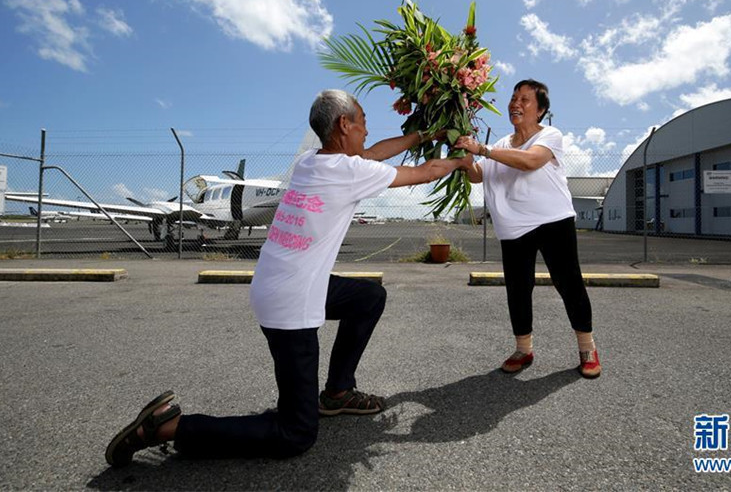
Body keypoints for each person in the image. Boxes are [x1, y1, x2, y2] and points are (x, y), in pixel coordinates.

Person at [105, 89, 472, 467]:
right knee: (295, 434)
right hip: (291, 302)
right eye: (362, 121)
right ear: (344, 124)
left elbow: (375, 152)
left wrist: (426, 136)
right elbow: (425, 171)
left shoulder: (311, 162)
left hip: (284, 283)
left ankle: (338, 392)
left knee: (368, 297)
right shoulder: (348, 171)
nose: (367, 130)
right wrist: (462, 159)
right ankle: (168, 427)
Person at [454, 79, 601, 379]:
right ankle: (524, 348)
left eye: (524, 100)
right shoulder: (502, 145)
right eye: (513, 98)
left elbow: (531, 161)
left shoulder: (549, 136)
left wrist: (481, 148)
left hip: (553, 221)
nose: (515, 104)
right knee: (518, 290)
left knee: (568, 283)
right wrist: (466, 160)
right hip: (513, 228)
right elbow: (478, 175)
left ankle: (587, 348)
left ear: (541, 109)